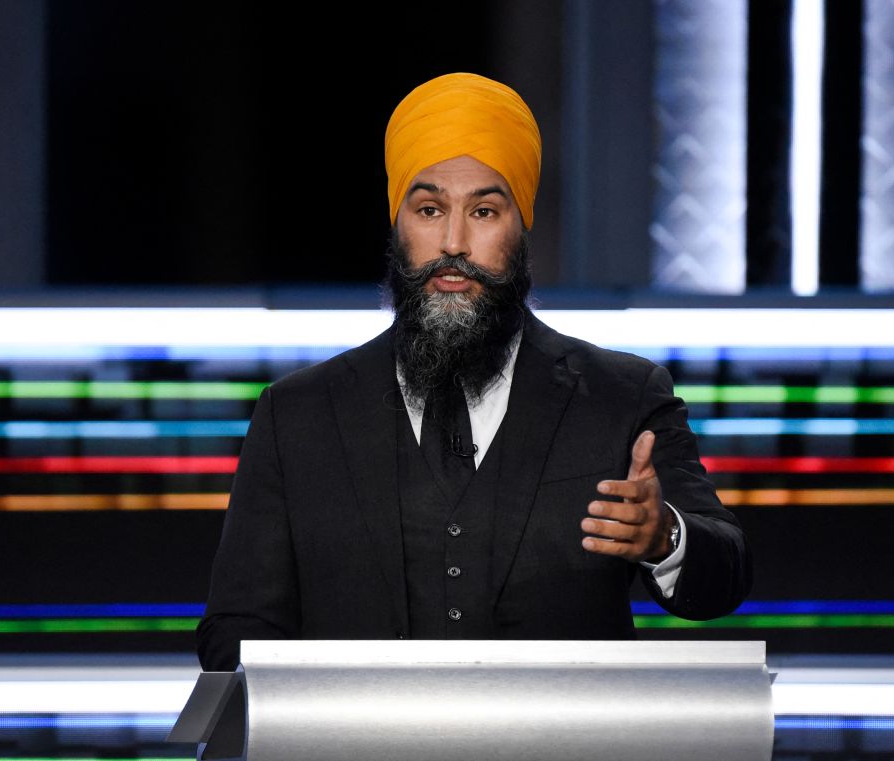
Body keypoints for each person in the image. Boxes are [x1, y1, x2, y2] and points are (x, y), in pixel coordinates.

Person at [197, 73, 750, 671]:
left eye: (484, 210)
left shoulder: (621, 396)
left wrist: (663, 536)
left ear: (522, 226)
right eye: (430, 209)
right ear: (398, 223)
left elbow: (725, 575)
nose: (453, 243)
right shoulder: (297, 415)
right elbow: (236, 631)